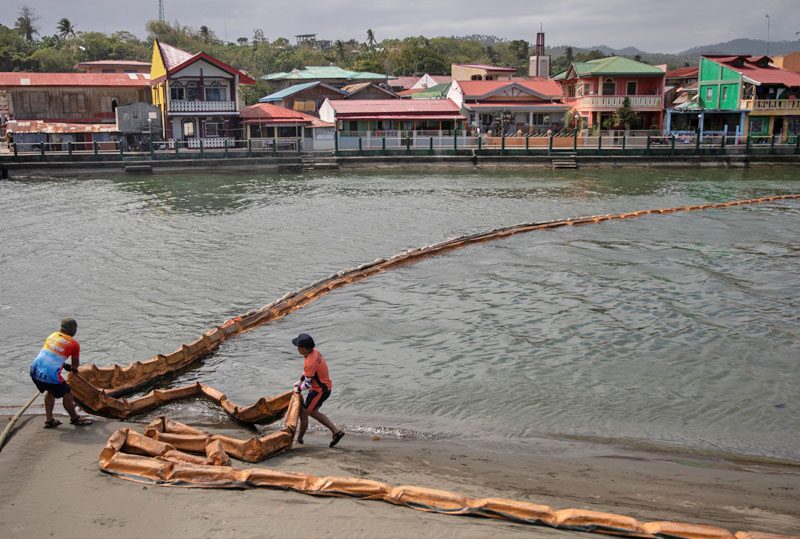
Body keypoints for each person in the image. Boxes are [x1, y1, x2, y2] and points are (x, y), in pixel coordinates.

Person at [29, 318, 93, 428]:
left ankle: (49, 421)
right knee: (67, 394)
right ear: (73, 330)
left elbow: (50, 357)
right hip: (49, 375)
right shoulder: (74, 344)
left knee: (50, 391)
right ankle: (75, 419)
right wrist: (73, 370)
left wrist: (64, 365)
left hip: (34, 370)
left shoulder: (52, 336)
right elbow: (75, 365)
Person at [291, 333, 344, 448]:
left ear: (303, 349)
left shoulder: (310, 362)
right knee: (312, 412)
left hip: (320, 391)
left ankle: (299, 440)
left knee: (304, 413)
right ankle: (336, 432)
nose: (297, 349)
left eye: (298, 347)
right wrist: (299, 381)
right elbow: (308, 374)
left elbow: (308, 383)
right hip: (323, 388)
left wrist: (297, 389)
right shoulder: (314, 352)